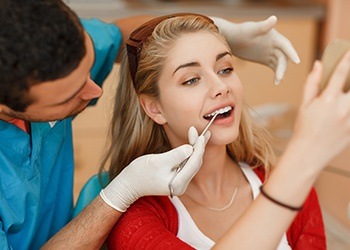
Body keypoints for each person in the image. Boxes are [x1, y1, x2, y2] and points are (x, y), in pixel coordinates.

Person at [0, 0, 300, 249]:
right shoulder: (142, 220)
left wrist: (219, 30)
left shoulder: (46, 43)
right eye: (191, 79)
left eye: (225, 68)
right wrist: (120, 193)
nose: (96, 91)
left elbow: (123, 35)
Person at [103, 13, 350, 249]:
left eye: (225, 69)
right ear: (155, 108)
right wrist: (304, 155)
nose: (221, 86)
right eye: (191, 79)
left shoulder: (296, 191)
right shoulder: (135, 217)